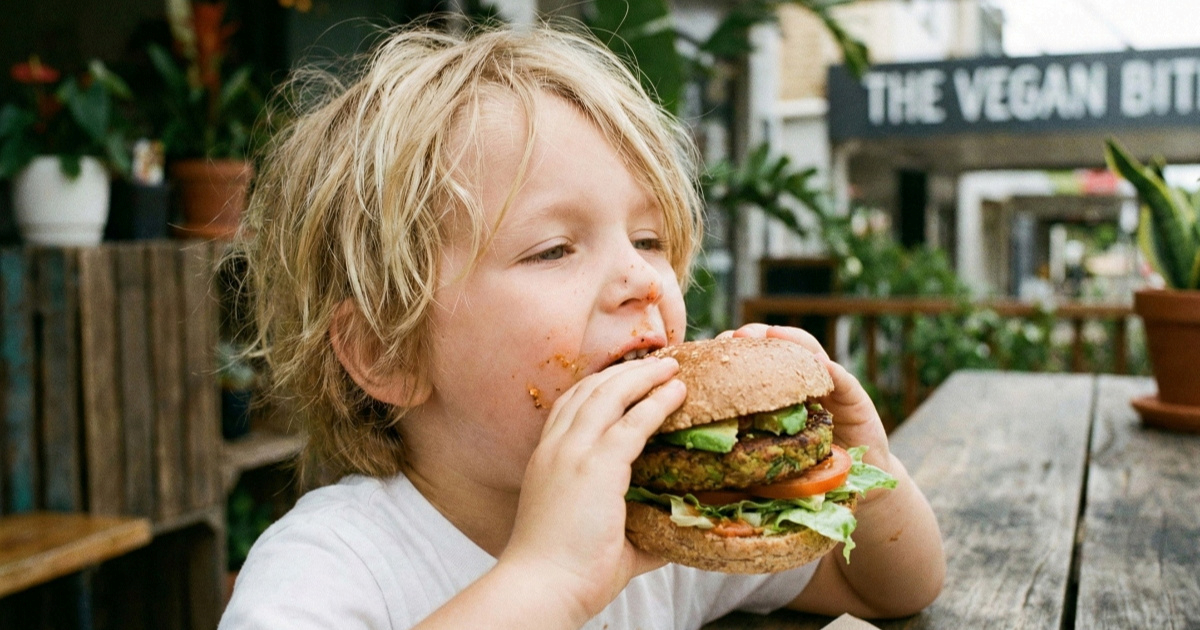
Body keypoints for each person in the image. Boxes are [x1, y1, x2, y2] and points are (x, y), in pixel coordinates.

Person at [220, 22, 945, 630]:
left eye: (651, 240)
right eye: (554, 249)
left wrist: (860, 475)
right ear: (387, 352)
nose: (639, 279)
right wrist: (551, 578)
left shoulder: (675, 524)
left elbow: (886, 589)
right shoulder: (331, 563)